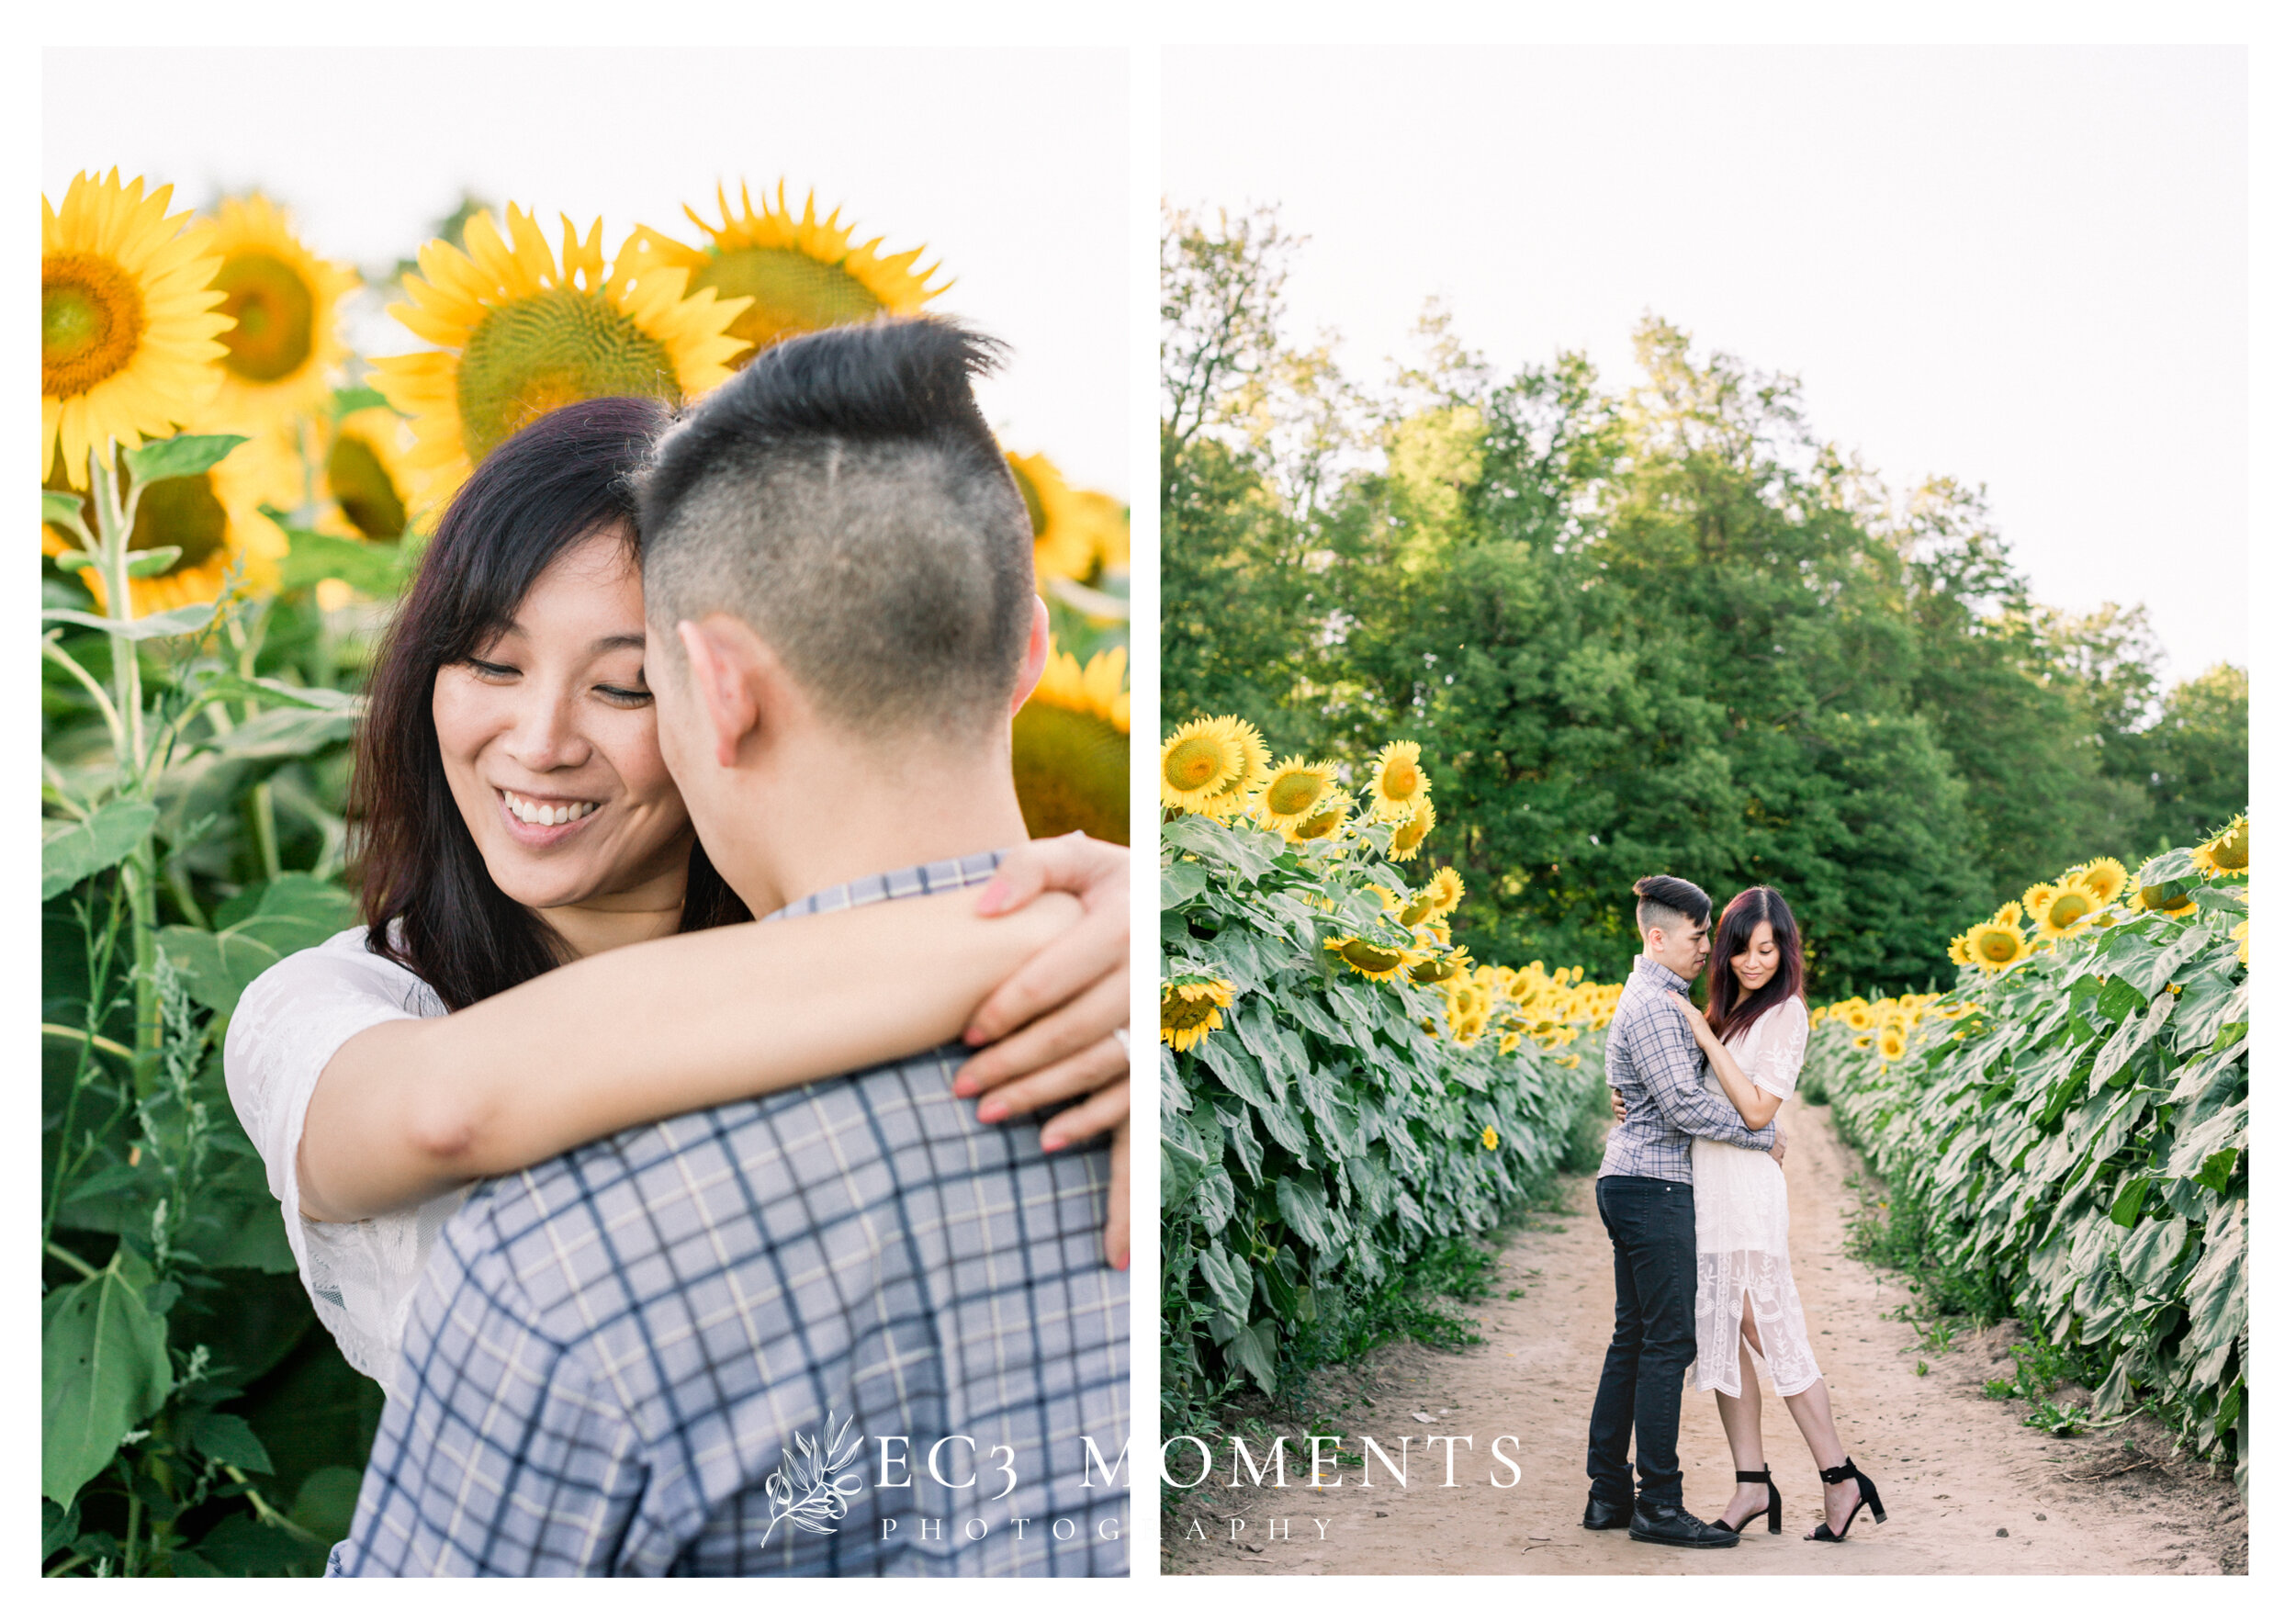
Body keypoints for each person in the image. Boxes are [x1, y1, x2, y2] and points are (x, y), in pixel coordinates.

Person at [333, 319, 1128, 1576]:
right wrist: (1074, 923)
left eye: (627, 683)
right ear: (1034, 648)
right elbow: (434, 1107)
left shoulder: (562, 1275)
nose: (540, 739)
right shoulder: (1159, 1057)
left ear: (715, 686)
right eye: (489, 663)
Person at [1663, 885, 1886, 1544]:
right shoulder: (1730, 1012)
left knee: (1769, 1326)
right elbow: (1699, 1102)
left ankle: (1839, 1474)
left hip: (1748, 1191)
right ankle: (1751, 1484)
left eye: (1766, 949)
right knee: (1722, 1334)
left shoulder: (1786, 1013)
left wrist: (1703, 1034)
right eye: (1740, 948)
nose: (1752, 962)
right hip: (1709, 1186)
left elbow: (1759, 1110)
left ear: (1785, 950)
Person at [1581, 874, 1781, 1550]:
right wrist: (1763, 1135)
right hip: (1654, 1188)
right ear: (1658, 936)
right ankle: (1658, 1503)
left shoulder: (1654, 996)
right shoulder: (1658, 1005)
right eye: (1699, 937)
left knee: (1633, 1339)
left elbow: (1647, 1091)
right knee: (1668, 1343)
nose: (1708, 949)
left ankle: (1608, 1493)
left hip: (1634, 1182)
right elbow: (1684, 1107)